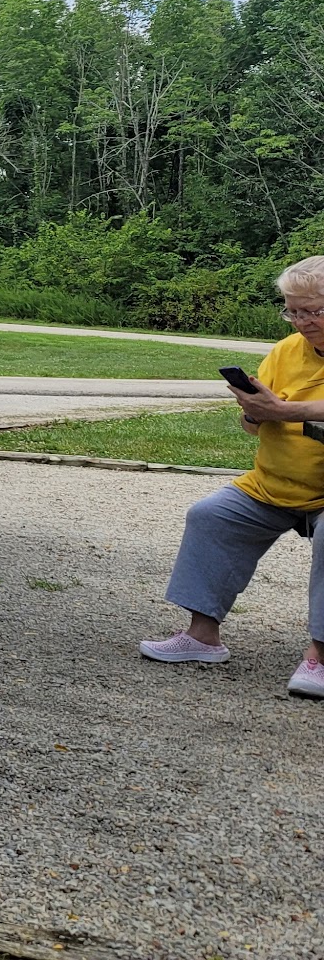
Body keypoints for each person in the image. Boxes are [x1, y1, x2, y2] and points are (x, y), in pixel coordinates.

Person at [140, 256, 324, 699]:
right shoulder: (285, 350)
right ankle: (202, 637)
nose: (302, 321)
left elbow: (295, 410)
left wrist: (286, 411)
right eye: (293, 310)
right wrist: (255, 413)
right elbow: (255, 422)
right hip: (273, 485)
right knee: (212, 515)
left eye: (313, 310)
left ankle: (320, 656)